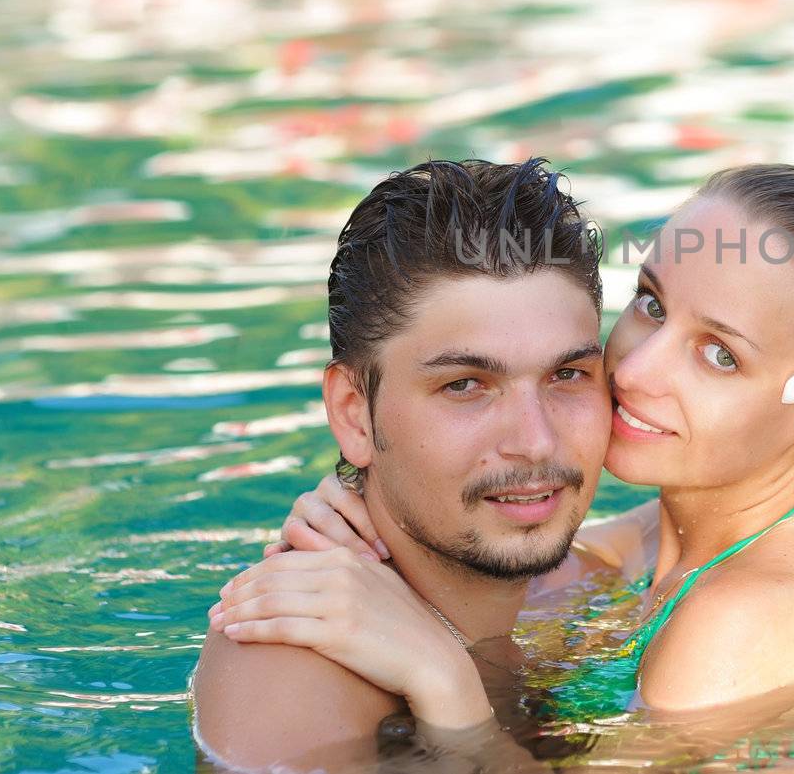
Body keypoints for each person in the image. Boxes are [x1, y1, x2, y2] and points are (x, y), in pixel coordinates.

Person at [203, 162, 794, 763]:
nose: (639, 369)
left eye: (719, 354)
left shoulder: (746, 618)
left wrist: (445, 684)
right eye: (650, 304)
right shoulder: (668, 534)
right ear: (353, 412)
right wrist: (360, 503)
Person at [192, 158, 616, 770]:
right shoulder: (287, 673)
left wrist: (442, 674)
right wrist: (455, 701)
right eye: (465, 385)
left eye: (568, 375)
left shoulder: (582, 582)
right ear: (354, 414)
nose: (537, 441)